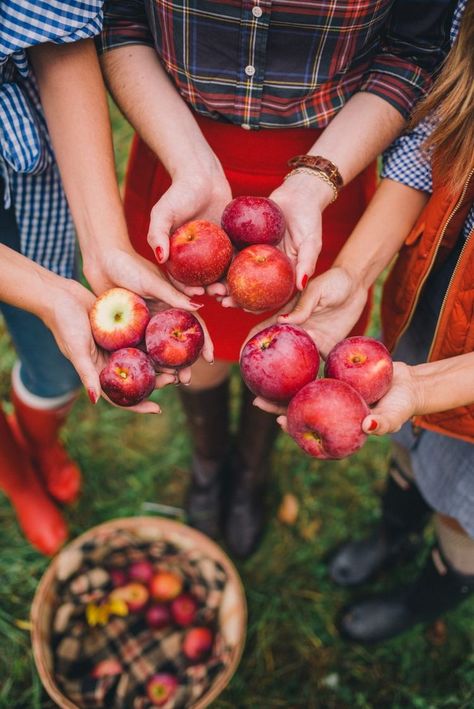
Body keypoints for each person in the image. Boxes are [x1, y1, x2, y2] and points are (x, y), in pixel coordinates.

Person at [98, 0, 456, 558]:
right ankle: (210, 461)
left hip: (326, 159)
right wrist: (190, 163)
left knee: (295, 340)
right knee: (193, 333)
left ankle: (251, 469)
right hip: (179, 145)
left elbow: (415, 49)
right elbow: (121, 20)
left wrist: (316, 181)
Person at [273, 0, 474, 642]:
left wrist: (423, 391)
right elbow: (430, 146)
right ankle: (393, 532)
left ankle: (433, 587)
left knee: (462, 509)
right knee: (413, 453)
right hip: (442, 294)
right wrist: (354, 276)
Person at [0, 1, 209, 555]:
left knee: (55, 368)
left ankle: (41, 447)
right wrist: (45, 292)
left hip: (20, 174)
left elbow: (58, 39)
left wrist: (106, 247)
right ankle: (18, 480)